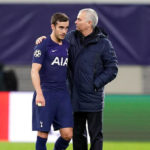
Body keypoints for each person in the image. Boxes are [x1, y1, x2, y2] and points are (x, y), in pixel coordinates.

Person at [36, 8, 118, 150]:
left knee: (96, 136)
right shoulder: (70, 38)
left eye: (79, 19)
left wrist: (95, 84)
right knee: (78, 135)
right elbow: (55, 42)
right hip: (74, 97)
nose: (75, 21)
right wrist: (44, 41)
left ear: (89, 23)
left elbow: (112, 69)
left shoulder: (104, 44)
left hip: (93, 98)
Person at [31, 13, 73, 150]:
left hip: (62, 94)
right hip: (46, 93)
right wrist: (39, 93)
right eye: (61, 27)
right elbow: (34, 71)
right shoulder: (43, 45)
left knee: (67, 134)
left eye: (66, 28)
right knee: (43, 134)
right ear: (52, 26)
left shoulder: (68, 45)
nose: (64, 31)